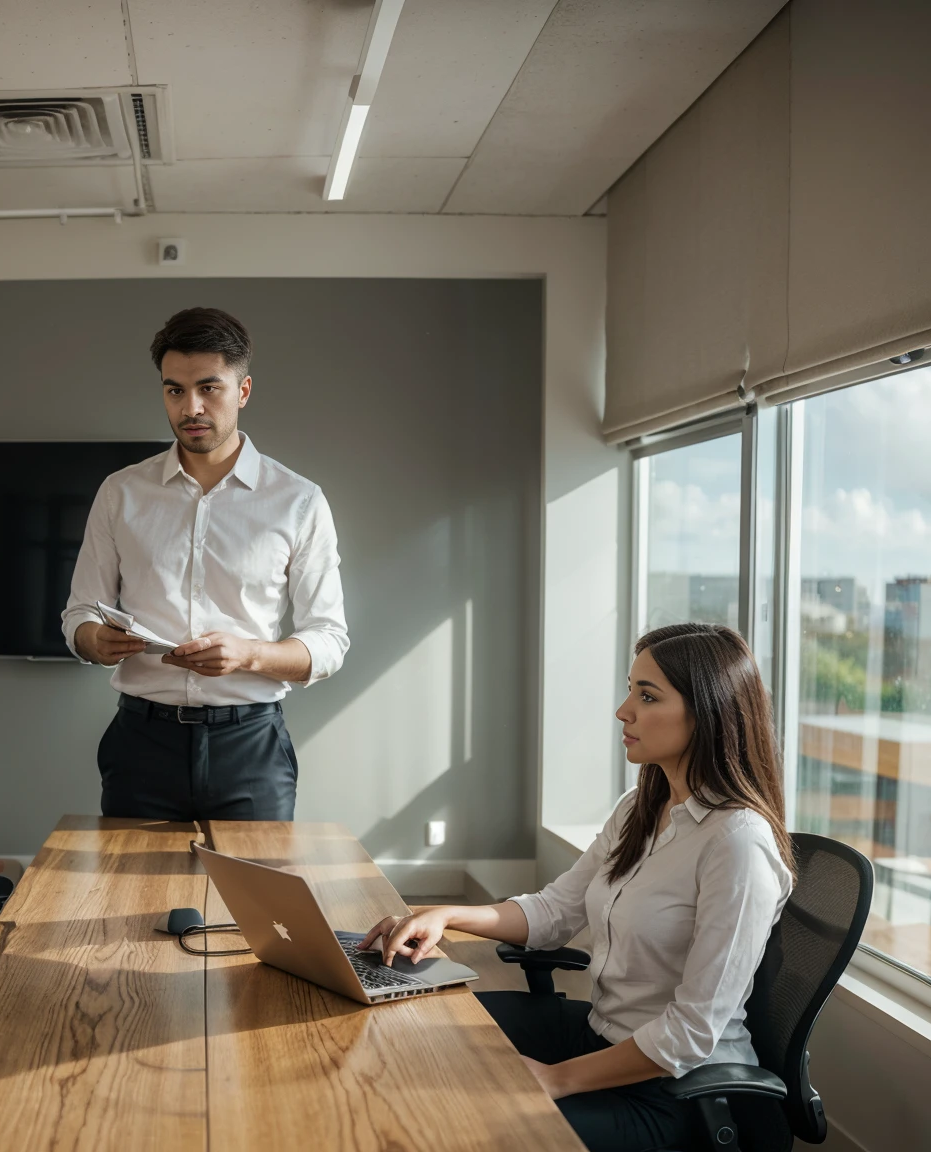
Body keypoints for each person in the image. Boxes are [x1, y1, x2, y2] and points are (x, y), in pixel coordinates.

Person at [362, 623, 795, 1152]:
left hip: (676, 1093)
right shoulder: (641, 807)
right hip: (601, 1035)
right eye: (630, 688)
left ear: (706, 713)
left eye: (647, 695)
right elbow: (554, 912)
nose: (623, 710)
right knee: (410, 1029)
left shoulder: (738, 845)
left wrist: (554, 1079)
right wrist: (445, 914)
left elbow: (690, 1032)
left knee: (469, 1131)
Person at [60, 306, 349, 822]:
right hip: (140, 742)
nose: (190, 406)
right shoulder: (120, 493)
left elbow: (328, 642)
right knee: (133, 901)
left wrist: (248, 655)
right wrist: (92, 640)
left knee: (253, 902)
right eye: (174, 390)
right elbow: (79, 612)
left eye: (209, 388)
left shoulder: (299, 501)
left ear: (243, 391)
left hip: (251, 746)